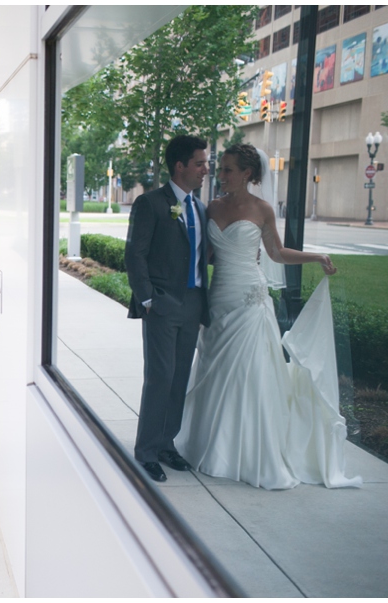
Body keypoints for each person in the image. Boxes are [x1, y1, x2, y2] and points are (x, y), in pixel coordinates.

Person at [174, 144, 361, 489]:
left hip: (251, 299)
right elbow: (206, 255)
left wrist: (316, 257)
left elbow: (276, 253)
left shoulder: (262, 210)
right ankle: (212, 444)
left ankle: (248, 451)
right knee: (215, 371)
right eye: (221, 169)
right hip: (219, 298)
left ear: (247, 173)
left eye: (229, 169)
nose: (222, 175)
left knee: (250, 373)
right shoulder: (211, 207)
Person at [124, 135, 210, 483]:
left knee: (178, 380)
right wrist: (148, 300)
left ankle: (166, 444)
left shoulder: (200, 208)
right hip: (162, 305)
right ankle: (146, 451)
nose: (206, 169)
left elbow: (200, 254)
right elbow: (135, 254)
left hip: (193, 304)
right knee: (159, 378)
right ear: (181, 166)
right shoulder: (151, 204)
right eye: (200, 163)